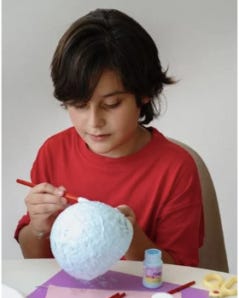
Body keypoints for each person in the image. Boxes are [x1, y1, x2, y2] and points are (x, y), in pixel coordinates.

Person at [15, 8, 204, 265]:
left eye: (112, 104)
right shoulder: (54, 152)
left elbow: (182, 275)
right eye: (79, 105)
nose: (94, 123)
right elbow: (34, 261)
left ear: (144, 93)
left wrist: (132, 239)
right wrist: (39, 227)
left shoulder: (175, 168)